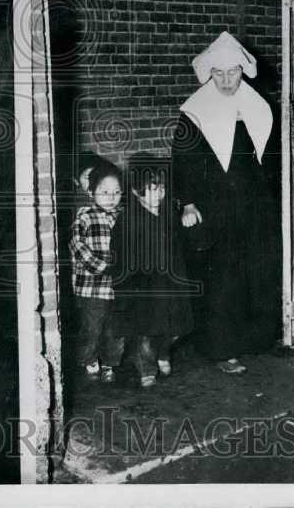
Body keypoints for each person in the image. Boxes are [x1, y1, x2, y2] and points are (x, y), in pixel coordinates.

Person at [172, 31, 281, 374]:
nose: (226, 79)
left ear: (243, 69)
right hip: (214, 205)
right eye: (218, 73)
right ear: (209, 74)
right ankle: (221, 349)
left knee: (255, 270)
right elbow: (182, 158)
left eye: (232, 72)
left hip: (253, 204)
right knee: (222, 278)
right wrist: (187, 203)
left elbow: (271, 158)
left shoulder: (258, 106)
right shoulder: (194, 111)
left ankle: (254, 340)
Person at [110, 153, 194, 387]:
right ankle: (146, 367)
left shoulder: (168, 213)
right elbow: (120, 260)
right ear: (136, 192)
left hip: (170, 283)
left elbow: (178, 247)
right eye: (151, 189)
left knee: (174, 328)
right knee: (146, 332)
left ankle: (163, 352)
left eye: (161, 189)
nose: (158, 195)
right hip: (144, 287)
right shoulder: (127, 221)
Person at [68, 161, 125, 383]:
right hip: (92, 286)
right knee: (92, 328)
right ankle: (89, 359)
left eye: (116, 192)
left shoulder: (123, 216)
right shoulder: (85, 215)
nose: (111, 197)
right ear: (91, 192)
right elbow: (76, 244)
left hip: (118, 286)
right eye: (104, 192)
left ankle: (110, 362)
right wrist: (101, 266)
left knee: (116, 330)